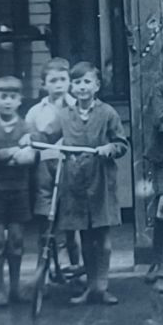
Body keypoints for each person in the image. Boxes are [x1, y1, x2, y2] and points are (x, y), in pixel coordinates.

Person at [56, 62, 129, 306]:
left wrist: (111, 147)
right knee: (86, 239)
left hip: (101, 183)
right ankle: (90, 288)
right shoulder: (65, 114)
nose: (82, 87)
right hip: (75, 183)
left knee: (104, 239)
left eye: (87, 82)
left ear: (97, 86)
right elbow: (51, 138)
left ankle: (102, 286)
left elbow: (122, 144)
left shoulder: (108, 113)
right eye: (76, 82)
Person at [0, 75, 38, 308]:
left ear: (19, 101)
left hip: (18, 190)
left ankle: (15, 288)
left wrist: (9, 155)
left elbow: (31, 157)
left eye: (12, 97)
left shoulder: (26, 126)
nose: (7, 102)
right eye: (2, 97)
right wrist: (15, 152)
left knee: (16, 239)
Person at [25, 58, 79, 271]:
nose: (58, 84)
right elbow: (29, 139)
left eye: (62, 79)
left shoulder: (77, 107)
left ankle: (76, 268)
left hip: (71, 168)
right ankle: (44, 270)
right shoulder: (36, 112)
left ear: (70, 82)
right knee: (46, 221)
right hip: (45, 170)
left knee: (72, 224)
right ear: (43, 84)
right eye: (53, 80)